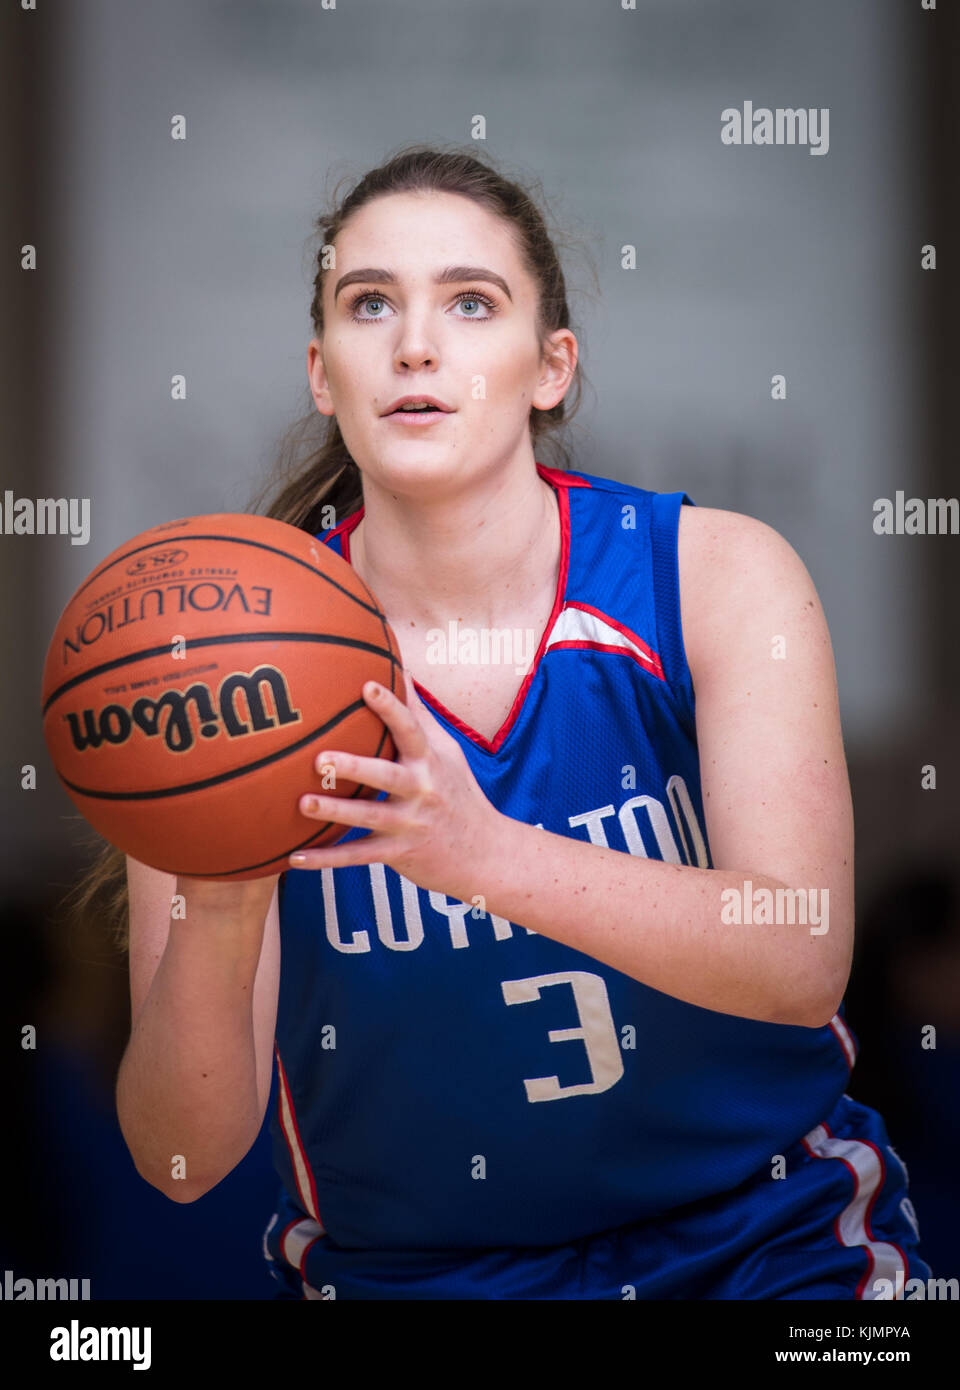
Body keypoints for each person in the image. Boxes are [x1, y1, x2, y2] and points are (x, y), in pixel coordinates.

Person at [101, 145, 931, 1300]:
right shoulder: (215, 675)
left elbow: (799, 957)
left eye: (471, 303)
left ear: (552, 367)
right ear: (321, 372)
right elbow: (182, 1159)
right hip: (417, 1279)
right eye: (370, 302)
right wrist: (229, 902)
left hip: (766, 1245)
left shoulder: (713, 576)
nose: (415, 344)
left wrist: (484, 856)